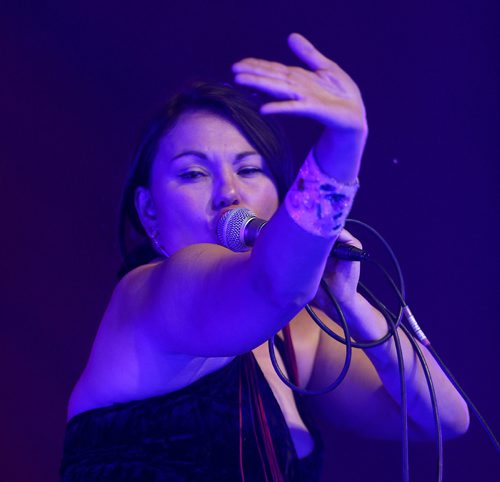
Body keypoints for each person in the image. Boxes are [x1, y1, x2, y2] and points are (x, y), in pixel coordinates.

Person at [60, 33, 469, 481]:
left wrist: (354, 309)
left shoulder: (297, 340)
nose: (229, 193)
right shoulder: (149, 297)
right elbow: (273, 285)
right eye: (194, 173)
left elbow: (443, 419)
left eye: (250, 169)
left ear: (282, 198)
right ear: (149, 212)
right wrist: (342, 149)